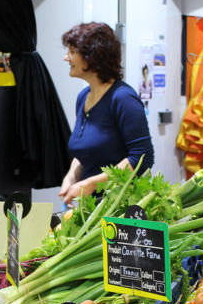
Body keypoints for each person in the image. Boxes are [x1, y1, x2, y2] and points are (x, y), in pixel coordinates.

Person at [58, 22, 154, 206]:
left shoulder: (123, 98)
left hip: (119, 207)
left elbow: (142, 157)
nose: (66, 57)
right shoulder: (83, 97)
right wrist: (71, 177)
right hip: (91, 206)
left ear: (91, 57)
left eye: (71, 52)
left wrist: (92, 184)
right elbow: (86, 152)